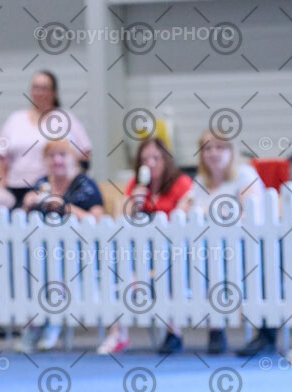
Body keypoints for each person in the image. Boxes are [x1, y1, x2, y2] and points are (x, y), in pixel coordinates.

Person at [99, 138, 194, 354]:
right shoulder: (136, 185)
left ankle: (172, 332)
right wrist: (134, 202)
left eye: (156, 158)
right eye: (145, 159)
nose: (150, 163)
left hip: (175, 252)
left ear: (166, 159)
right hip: (140, 252)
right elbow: (121, 220)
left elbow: (182, 219)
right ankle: (118, 334)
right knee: (119, 269)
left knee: (167, 271)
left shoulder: (181, 183)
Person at [19, 140, 103, 351]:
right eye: (51, 156)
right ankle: (34, 322)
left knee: (55, 263)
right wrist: (27, 204)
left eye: (62, 155)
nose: (56, 160)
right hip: (38, 252)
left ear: (72, 159)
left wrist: (64, 206)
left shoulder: (86, 185)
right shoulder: (40, 184)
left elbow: (96, 220)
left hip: (77, 253)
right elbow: (20, 221)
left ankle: (52, 322)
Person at [191, 130, 266, 354]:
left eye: (219, 147)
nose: (213, 153)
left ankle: (265, 334)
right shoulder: (199, 182)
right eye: (207, 148)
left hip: (247, 246)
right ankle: (215, 330)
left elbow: (250, 213)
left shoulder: (245, 174)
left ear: (231, 151)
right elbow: (188, 211)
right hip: (207, 248)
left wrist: (210, 212)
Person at [0, 71, 91, 205]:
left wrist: (72, 182)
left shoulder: (64, 118)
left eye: (44, 88)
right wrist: (2, 186)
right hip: (15, 187)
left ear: (54, 92)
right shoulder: (15, 119)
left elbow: (85, 152)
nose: (39, 93)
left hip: (49, 189)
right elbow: (0, 156)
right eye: (36, 88)